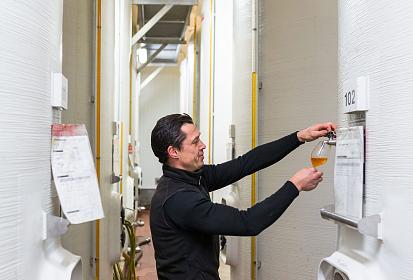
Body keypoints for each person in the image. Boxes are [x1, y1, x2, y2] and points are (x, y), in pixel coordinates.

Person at [150, 113, 335, 280]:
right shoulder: (178, 198)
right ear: (173, 152)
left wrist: (299, 137)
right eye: (195, 141)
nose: (203, 145)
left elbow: (245, 163)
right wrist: (295, 186)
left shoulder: (193, 177)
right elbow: (248, 222)